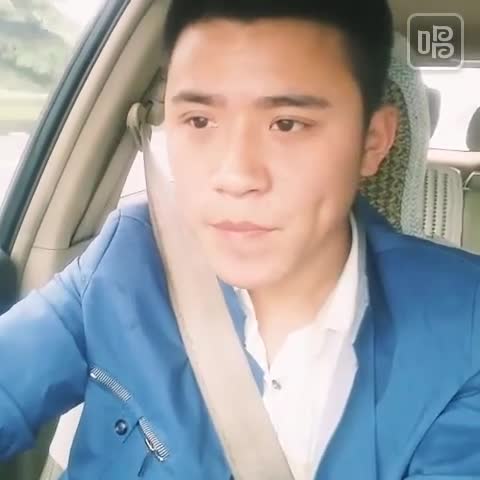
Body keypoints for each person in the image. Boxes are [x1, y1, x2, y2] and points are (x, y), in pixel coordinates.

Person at [1, 1, 480, 479]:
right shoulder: (130, 256)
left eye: (287, 124)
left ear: (372, 141)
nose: (235, 176)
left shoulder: (464, 327)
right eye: (199, 121)